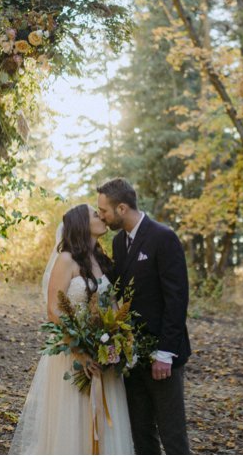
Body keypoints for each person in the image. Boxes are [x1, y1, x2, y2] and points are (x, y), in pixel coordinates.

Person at [10, 204, 134, 455]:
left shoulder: (100, 259)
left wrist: (113, 347)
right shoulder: (66, 259)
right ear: (81, 223)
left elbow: (112, 307)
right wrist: (81, 351)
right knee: (74, 417)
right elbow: (54, 311)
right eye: (94, 214)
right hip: (73, 354)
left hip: (102, 354)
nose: (101, 217)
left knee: (105, 422)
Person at [96, 178, 191, 455]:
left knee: (173, 437)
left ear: (122, 208)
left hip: (163, 357)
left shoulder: (163, 237)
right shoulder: (118, 243)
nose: (101, 215)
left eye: (104, 210)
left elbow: (177, 299)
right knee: (142, 436)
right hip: (131, 355)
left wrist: (165, 353)